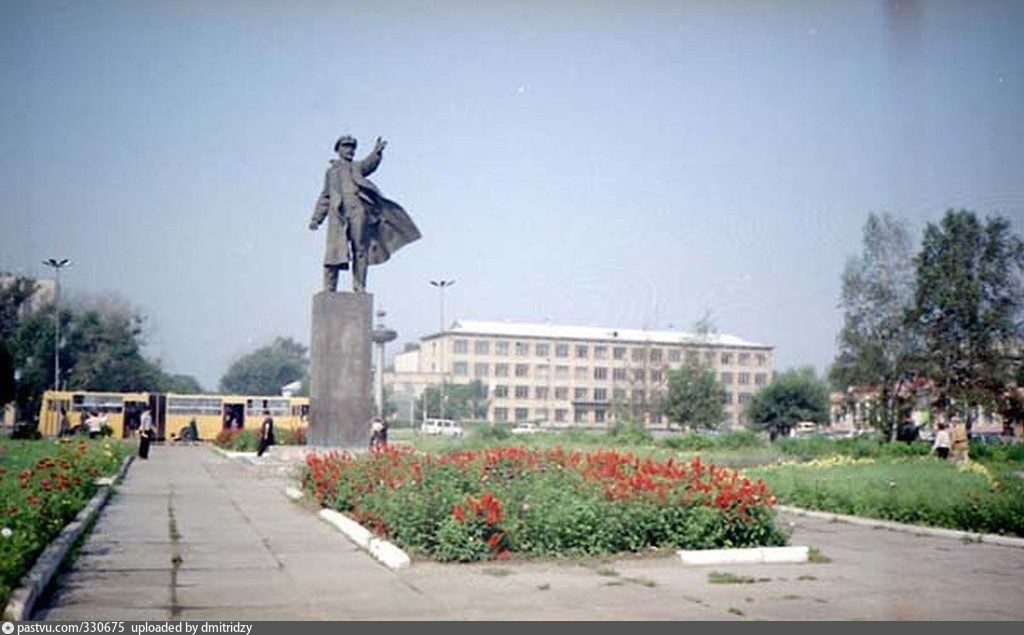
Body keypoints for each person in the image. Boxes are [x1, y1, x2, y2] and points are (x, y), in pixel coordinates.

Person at [309, 135, 421, 293]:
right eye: (346, 146)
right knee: (334, 252)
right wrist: (316, 218)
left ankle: (359, 286)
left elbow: (370, 164)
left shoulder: (357, 167)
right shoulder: (331, 172)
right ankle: (329, 287)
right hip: (338, 215)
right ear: (338, 149)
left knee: (360, 250)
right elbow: (325, 196)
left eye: (352, 147)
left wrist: (377, 152)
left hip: (358, 212)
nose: (350, 150)